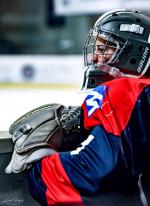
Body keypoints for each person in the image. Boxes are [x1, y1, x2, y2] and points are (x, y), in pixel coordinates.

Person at [7, 9, 150, 206]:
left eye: (104, 49)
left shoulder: (128, 92)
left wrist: (39, 166)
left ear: (136, 53)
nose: (94, 58)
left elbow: (95, 180)